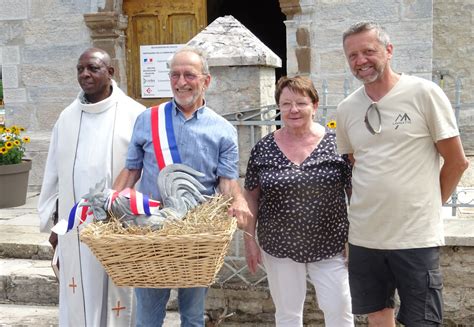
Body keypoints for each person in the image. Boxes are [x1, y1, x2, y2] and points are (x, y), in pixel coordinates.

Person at [336, 21, 470, 326]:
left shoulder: (424, 94)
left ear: (389, 50)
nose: (360, 61)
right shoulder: (346, 109)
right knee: (377, 315)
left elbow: (457, 161)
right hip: (365, 237)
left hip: (415, 236)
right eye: (352, 55)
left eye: (368, 51)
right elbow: (357, 163)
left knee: (422, 320)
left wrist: (428, 205)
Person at [112, 46, 251, 326]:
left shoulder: (222, 129)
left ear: (206, 81)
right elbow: (132, 169)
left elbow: (226, 182)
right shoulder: (148, 119)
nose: (180, 82)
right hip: (152, 230)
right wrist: (110, 202)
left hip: (197, 236)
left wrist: (238, 200)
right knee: (147, 318)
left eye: (189, 74)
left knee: (192, 317)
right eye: (174, 75)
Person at [38, 48, 146, 326]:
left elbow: (147, 170)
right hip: (76, 230)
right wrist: (54, 222)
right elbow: (53, 172)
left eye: (93, 68)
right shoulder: (67, 118)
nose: (85, 74)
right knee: (79, 294)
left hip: (120, 226)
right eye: (80, 69)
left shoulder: (135, 114)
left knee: (118, 294)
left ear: (111, 73)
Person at [243, 76, 354, 327]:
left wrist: (354, 238)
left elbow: (353, 192)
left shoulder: (337, 144)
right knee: (288, 314)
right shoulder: (263, 149)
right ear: (278, 108)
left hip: (330, 243)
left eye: (301, 103)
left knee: (339, 309)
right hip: (278, 245)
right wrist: (249, 240)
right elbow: (251, 195)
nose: (293, 110)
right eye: (286, 103)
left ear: (314, 106)